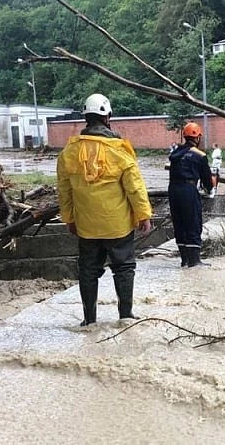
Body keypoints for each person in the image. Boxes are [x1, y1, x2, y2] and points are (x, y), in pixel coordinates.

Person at [56, 93, 152, 325]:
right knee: (124, 268)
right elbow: (135, 188)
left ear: (86, 118)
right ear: (108, 117)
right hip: (118, 226)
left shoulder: (68, 152)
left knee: (88, 271)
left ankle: (89, 321)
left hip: (86, 227)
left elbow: (64, 191)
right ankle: (125, 316)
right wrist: (144, 215)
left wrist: (69, 219)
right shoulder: (119, 150)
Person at [168, 122, 213, 268]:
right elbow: (207, 181)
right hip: (188, 189)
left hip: (173, 190)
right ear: (197, 137)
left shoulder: (175, 153)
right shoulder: (200, 155)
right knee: (193, 222)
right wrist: (211, 186)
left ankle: (185, 259)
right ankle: (194, 261)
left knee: (179, 222)